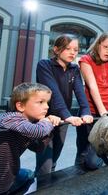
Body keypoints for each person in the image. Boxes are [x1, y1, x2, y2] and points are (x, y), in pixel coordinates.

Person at [0, 83, 61, 195]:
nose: (47, 107)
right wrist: (47, 122)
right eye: (40, 102)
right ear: (20, 106)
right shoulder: (10, 119)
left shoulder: (29, 125)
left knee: (28, 175)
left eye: (47, 103)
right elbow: (37, 131)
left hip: (4, 178)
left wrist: (48, 130)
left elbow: (38, 148)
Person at [36, 34, 93, 176]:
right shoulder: (44, 65)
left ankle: (48, 186)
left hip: (62, 121)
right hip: (46, 118)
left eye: (75, 49)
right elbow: (53, 92)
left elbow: (80, 92)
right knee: (45, 164)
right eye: (68, 49)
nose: (73, 52)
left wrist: (86, 111)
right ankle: (40, 186)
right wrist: (68, 115)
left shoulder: (74, 69)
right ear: (56, 49)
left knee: (55, 157)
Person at [78, 32, 108, 168]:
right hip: (90, 113)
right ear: (98, 45)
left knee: (94, 159)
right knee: (83, 151)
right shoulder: (86, 60)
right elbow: (92, 87)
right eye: (106, 47)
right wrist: (102, 111)